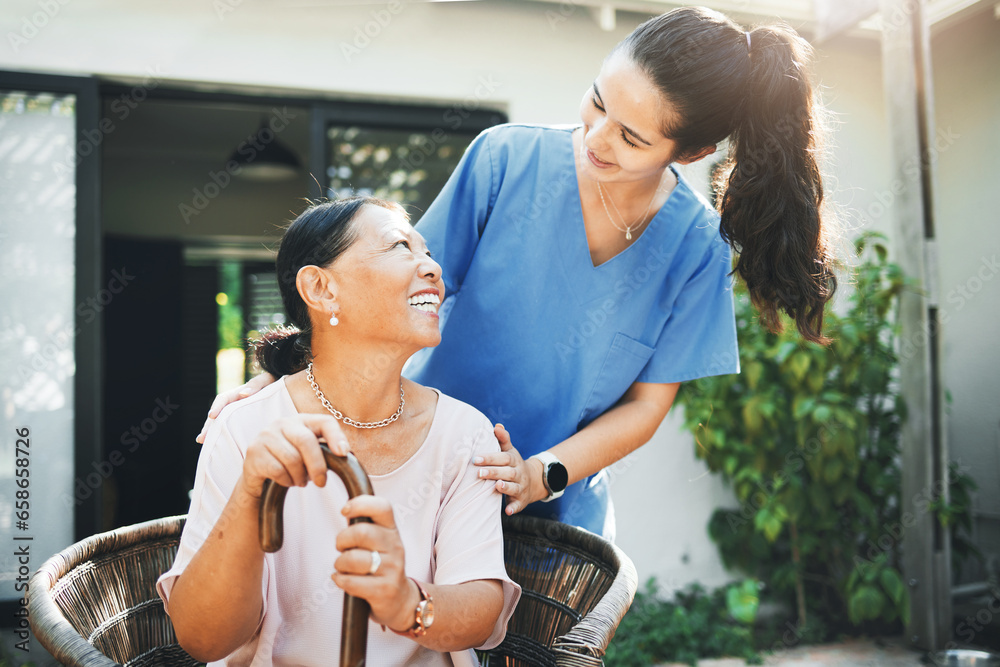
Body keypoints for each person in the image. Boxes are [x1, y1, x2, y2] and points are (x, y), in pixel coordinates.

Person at [199, 7, 838, 539]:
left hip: (555, 516)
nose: (596, 138)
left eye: (631, 138)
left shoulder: (694, 246)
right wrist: (278, 380)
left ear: (693, 152)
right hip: (421, 479)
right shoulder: (504, 161)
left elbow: (645, 407)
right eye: (597, 101)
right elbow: (389, 296)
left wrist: (541, 474)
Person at [159, 196, 520, 666]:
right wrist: (251, 496)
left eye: (427, 251)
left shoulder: (466, 434)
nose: (431, 266)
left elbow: (481, 611)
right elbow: (204, 639)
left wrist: (405, 602)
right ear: (321, 288)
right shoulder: (245, 428)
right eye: (399, 247)